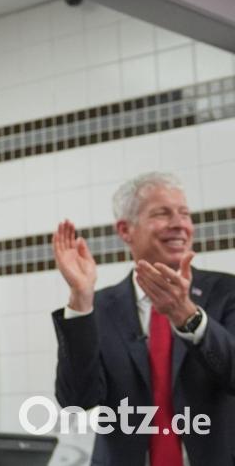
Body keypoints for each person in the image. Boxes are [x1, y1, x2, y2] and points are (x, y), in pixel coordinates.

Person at [52, 172, 235, 465]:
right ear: (126, 230)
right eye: (162, 213)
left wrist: (187, 315)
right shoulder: (99, 307)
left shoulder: (226, 292)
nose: (179, 224)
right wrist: (80, 299)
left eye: (184, 213)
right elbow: (77, 400)